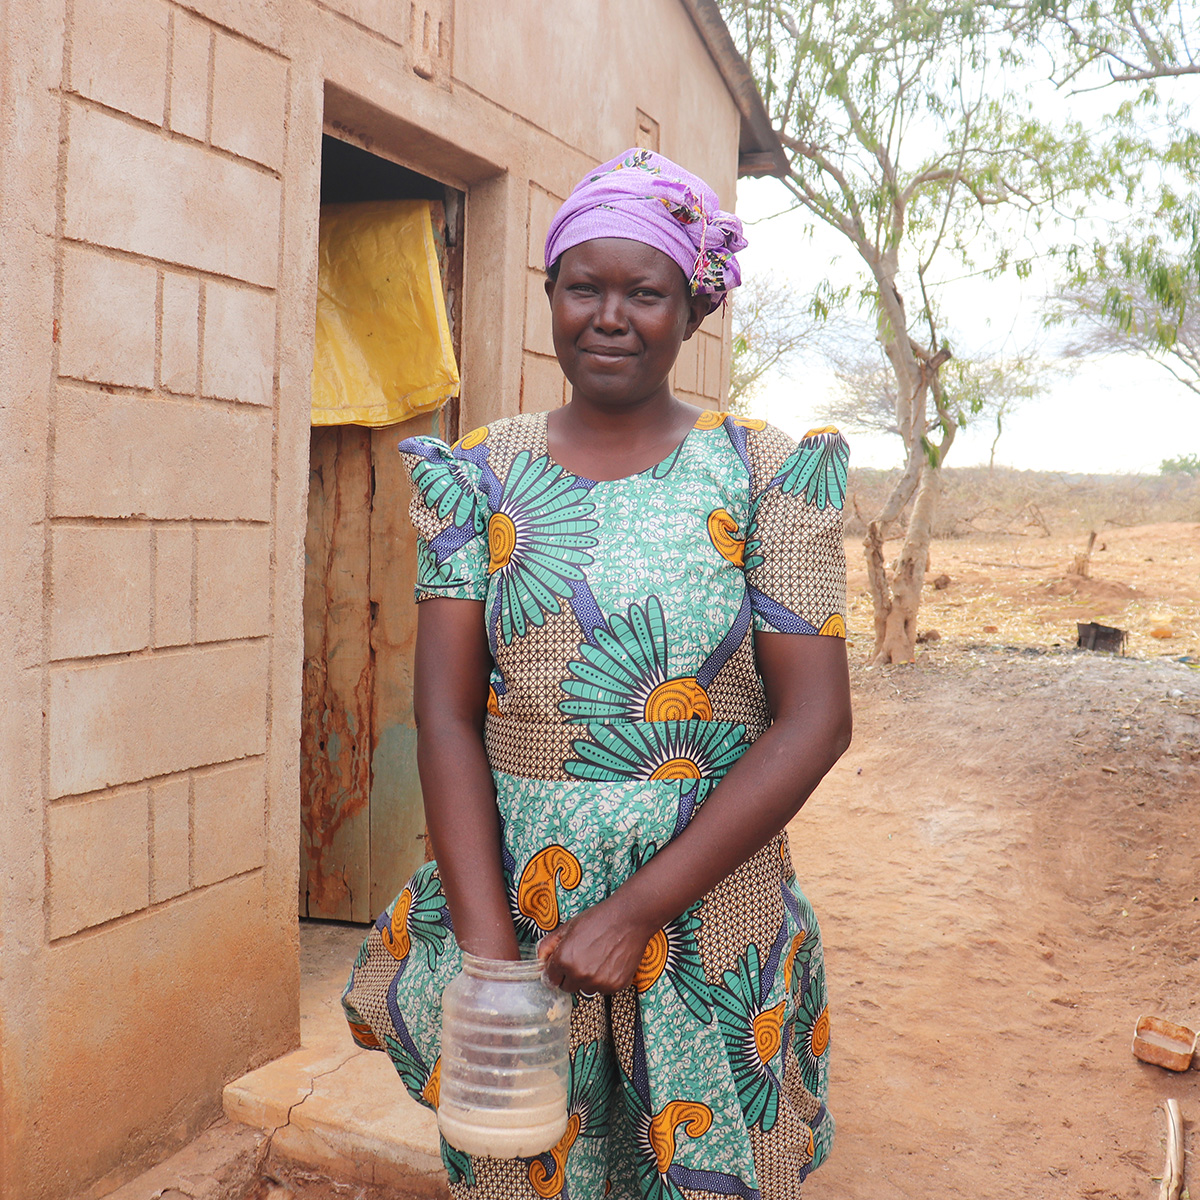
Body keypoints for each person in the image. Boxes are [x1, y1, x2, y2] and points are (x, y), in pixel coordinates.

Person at [343, 148, 852, 1200]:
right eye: (585, 287)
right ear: (550, 298)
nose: (610, 316)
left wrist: (634, 913)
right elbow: (442, 714)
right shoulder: (480, 473)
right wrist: (488, 955)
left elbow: (814, 723)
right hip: (521, 902)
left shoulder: (766, 475)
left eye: (645, 292)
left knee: (705, 1169)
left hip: (712, 903)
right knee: (521, 1163)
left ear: (693, 311)